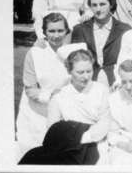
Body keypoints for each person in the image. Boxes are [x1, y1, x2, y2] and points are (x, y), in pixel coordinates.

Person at [16, 13, 84, 157]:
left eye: (60, 31)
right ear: (44, 32)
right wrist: (49, 96)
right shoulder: (34, 53)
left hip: (63, 112)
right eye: (51, 31)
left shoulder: (74, 52)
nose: (56, 35)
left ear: (67, 31)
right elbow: (30, 89)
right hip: (36, 112)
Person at [47, 49, 111, 164]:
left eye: (89, 71)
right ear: (69, 71)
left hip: (96, 143)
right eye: (80, 72)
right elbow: (52, 128)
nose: (86, 77)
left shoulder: (101, 90)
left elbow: (105, 122)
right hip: (67, 146)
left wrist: (83, 138)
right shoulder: (59, 96)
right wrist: (72, 140)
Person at [71, 0, 131, 87]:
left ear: (111, 5)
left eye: (102, 4)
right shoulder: (80, 30)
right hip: (88, 84)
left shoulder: (125, 30)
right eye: (94, 5)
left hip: (117, 84)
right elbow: (74, 62)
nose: (98, 9)